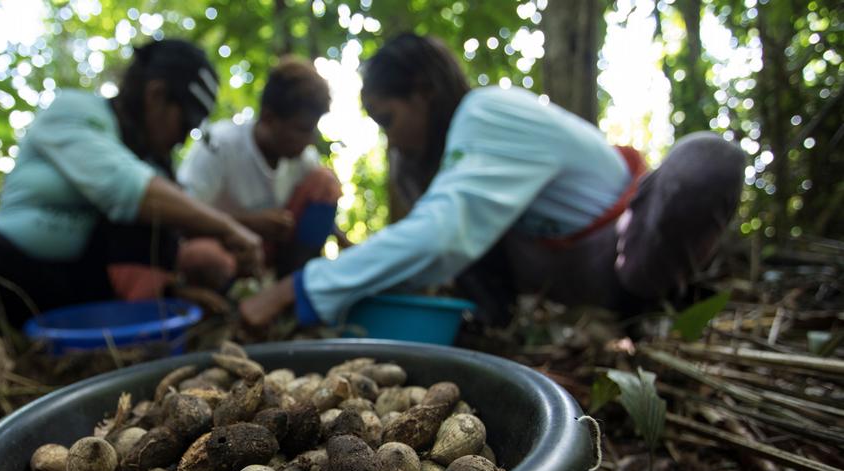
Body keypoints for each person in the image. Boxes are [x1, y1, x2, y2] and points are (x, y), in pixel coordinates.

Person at [240, 33, 745, 329]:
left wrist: (297, 288)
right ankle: (497, 322)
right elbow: (439, 235)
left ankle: (651, 308)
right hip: (554, 266)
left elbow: (444, 232)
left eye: (388, 119)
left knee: (706, 161)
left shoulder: (487, 113)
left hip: (622, 252)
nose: (391, 142)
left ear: (424, 92)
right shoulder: (443, 160)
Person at [0, 39, 261, 328]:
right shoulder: (77, 112)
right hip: (16, 274)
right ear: (156, 96)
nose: (182, 140)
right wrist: (228, 227)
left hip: (87, 294)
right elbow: (127, 188)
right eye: (185, 125)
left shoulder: (155, 165)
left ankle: (144, 322)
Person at [177, 56, 344, 277]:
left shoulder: (304, 159)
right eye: (302, 129)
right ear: (269, 118)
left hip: (275, 256)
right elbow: (182, 216)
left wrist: (349, 248)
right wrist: (249, 224)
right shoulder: (220, 145)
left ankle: (293, 282)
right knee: (203, 257)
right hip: (226, 252)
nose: (309, 140)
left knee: (325, 182)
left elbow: (320, 213)